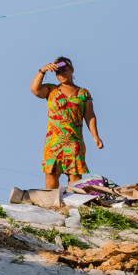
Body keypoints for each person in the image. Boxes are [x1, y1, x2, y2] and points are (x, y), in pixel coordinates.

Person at [30, 56, 103, 191]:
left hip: (74, 141)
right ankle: (52, 204)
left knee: (75, 176)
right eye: (58, 72)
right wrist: (42, 70)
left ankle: (72, 203)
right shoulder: (51, 90)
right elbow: (35, 89)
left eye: (64, 70)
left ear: (72, 70)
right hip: (54, 141)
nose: (61, 74)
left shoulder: (83, 93)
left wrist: (95, 136)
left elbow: (89, 115)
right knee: (51, 173)